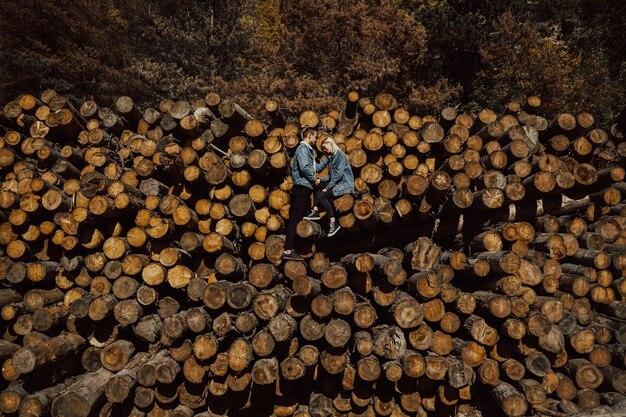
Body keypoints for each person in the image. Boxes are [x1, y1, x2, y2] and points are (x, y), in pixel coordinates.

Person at [304, 136, 354, 237]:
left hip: (343, 184)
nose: (324, 150)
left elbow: (337, 176)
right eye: (323, 149)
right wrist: (310, 159)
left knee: (322, 196)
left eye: (326, 148)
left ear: (331, 144)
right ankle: (315, 211)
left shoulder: (340, 156)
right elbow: (318, 169)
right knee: (316, 184)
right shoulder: (330, 157)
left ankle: (333, 223)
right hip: (335, 181)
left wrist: (327, 188)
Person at [282, 127, 318, 261]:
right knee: (295, 219)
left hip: (305, 188)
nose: (316, 139)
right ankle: (287, 250)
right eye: (315, 136)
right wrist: (315, 179)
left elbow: (312, 168)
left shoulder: (307, 150)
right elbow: (304, 167)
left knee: (298, 218)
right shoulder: (303, 149)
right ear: (309, 136)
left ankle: (292, 248)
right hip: (301, 188)